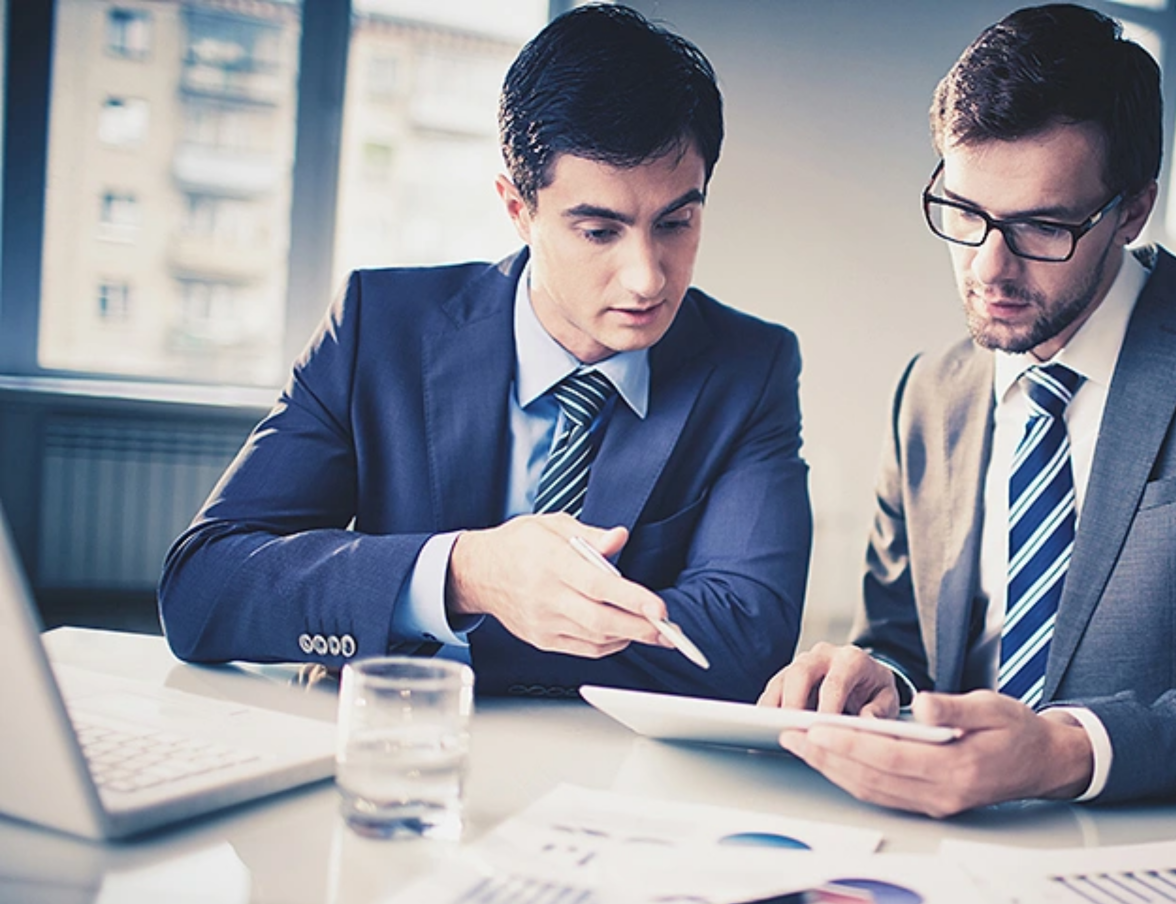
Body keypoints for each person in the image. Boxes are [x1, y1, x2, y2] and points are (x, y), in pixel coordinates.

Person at [762, 3, 1176, 814]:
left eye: (1042, 226)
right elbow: (900, 641)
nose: (990, 266)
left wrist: (1065, 751)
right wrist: (879, 682)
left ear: (1133, 210)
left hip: (1158, 850)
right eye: (965, 215)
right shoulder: (929, 392)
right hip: (941, 846)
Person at [159, 5, 811, 701]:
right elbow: (203, 589)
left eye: (676, 222)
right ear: (516, 207)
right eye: (598, 231)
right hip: (394, 749)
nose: (648, 276)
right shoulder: (379, 328)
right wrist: (465, 574)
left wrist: (413, 623)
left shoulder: (751, 366)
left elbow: (746, 641)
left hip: (609, 777)